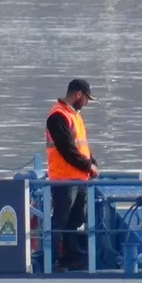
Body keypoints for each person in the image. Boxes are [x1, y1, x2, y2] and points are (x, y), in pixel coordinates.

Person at [45, 78, 99, 271]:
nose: (86, 103)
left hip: (79, 178)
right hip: (64, 180)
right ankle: (51, 261)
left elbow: (80, 144)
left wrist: (91, 161)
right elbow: (67, 149)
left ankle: (71, 259)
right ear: (78, 94)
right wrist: (88, 166)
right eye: (86, 99)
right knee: (60, 221)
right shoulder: (57, 116)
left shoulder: (74, 114)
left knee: (74, 221)